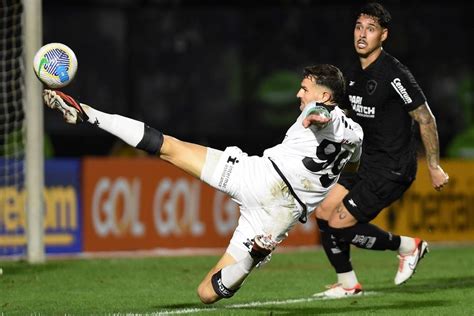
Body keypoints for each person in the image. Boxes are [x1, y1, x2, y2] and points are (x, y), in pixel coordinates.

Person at [42, 64, 363, 304]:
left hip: (260, 177)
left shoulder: (322, 111)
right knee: (208, 293)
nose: (299, 94)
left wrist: (317, 113)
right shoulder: (357, 135)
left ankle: (88, 114)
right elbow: (352, 164)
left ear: (324, 94)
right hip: (278, 216)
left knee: (169, 147)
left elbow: (323, 114)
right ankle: (255, 254)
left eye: (304, 88)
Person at [308, 3, 450, 298]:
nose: (362, 35)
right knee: (322, 212)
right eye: (359, 27)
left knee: (340, 224)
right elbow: (343, 114)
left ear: (383, 36)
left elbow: (425, 118)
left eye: (370, 29)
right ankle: (348, 284)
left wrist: (434, 166)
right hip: (364, 163)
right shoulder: (352, 72)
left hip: (393, 167)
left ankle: (409, 247)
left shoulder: (394, 73)